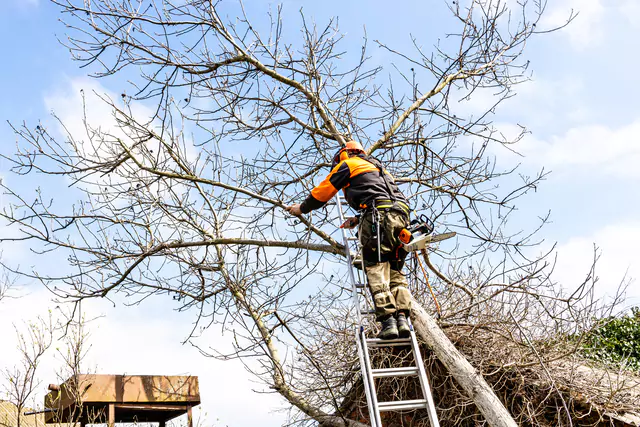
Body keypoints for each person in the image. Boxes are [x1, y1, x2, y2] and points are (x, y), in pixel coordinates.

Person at [286, 141, 413, 340]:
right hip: (401, 218)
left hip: (378, 217)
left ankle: (389, 321)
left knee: (375, 265)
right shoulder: (379, 169)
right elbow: (382, 199)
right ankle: (403, 318)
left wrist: (301, 208)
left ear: (344, 154)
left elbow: (323, 192)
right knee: (394, 268)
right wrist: (357, 219)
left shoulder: (348, 164)